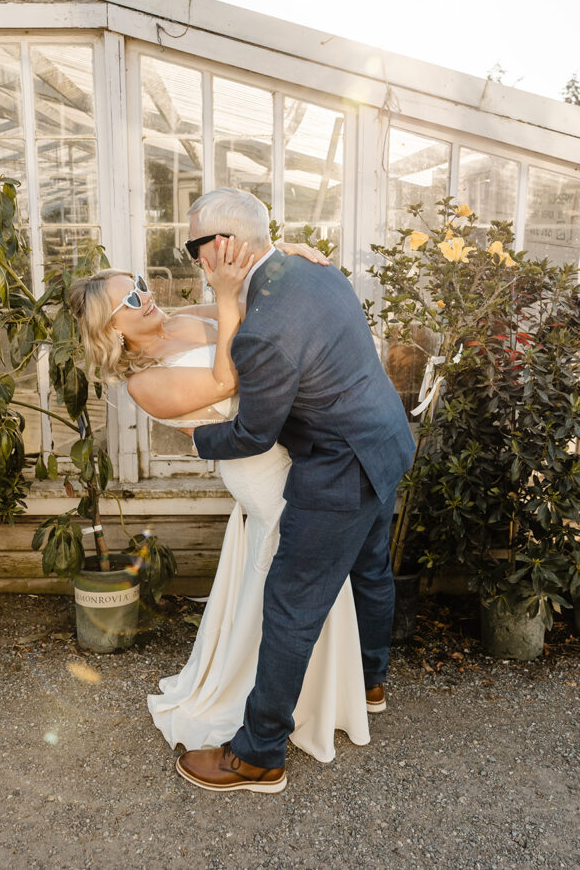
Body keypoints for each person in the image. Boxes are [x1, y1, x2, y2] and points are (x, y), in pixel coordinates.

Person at [67, 231, 371, 770]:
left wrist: (283, 260)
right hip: (258, 473)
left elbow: (259, 298)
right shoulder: (144, 384)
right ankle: (274, 707)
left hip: (290, 454)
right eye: (132, 297)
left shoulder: (182, 316)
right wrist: (228, 299)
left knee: (308, 580)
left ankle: (318, 694)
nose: (147, 293)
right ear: (112, 328)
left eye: (140, 282)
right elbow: (227, 376)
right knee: (296, 586)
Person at [171, 187, 416, 794]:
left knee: (289, 605)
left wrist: (198, 440)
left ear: (223, 247)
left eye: (193, 246)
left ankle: (258, 756)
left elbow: (255, 432)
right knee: (371, 572)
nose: (192, 260)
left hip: (340, 466)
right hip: (386, 438)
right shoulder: (316, 270)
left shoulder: (263, 330)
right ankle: (368, 682)